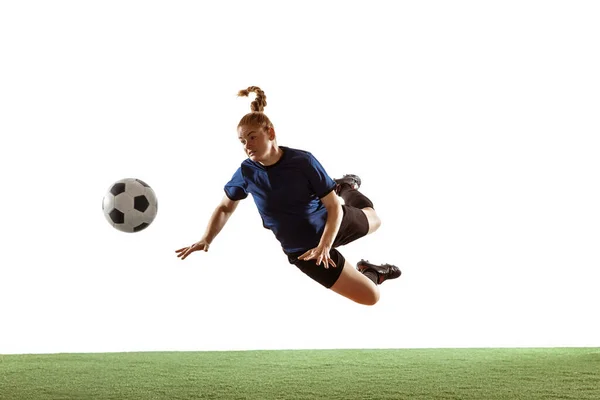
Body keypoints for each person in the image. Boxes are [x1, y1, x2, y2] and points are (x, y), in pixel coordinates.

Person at [176, 86, 400, 305]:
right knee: (371, 298)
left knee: (375, 220)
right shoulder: (247, 172)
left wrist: (325, 244)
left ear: (270, 133)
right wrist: (206, 238)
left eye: (252, 137)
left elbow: (332, 207)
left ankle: (346, 188)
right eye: (242, 141)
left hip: (332, 222)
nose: (247, 145)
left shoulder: (303, 162)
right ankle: (372, 272)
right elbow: (225, 207)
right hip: (305, 253)